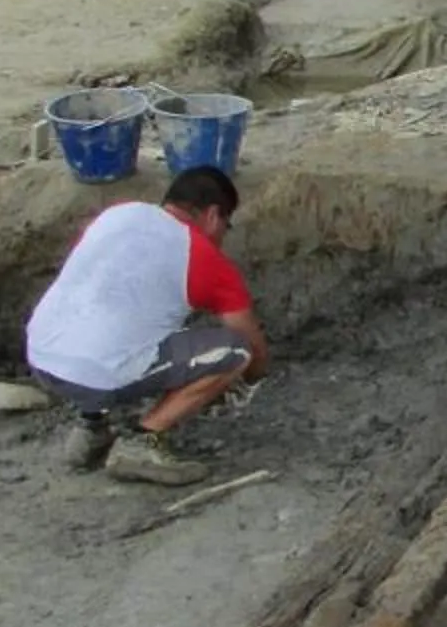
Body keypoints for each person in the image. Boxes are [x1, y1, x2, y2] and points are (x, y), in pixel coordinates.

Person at [25, 165, 269, 485]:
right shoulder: (203, 257)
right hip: (97, 373)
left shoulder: (116, 215)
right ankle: (144, 440)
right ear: (212, 215)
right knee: (235, 351)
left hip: (41, 355)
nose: (223, 234)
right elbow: (250, 340)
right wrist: (250, 382)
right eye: (226, 224)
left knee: (114, 330)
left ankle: (91, 430)